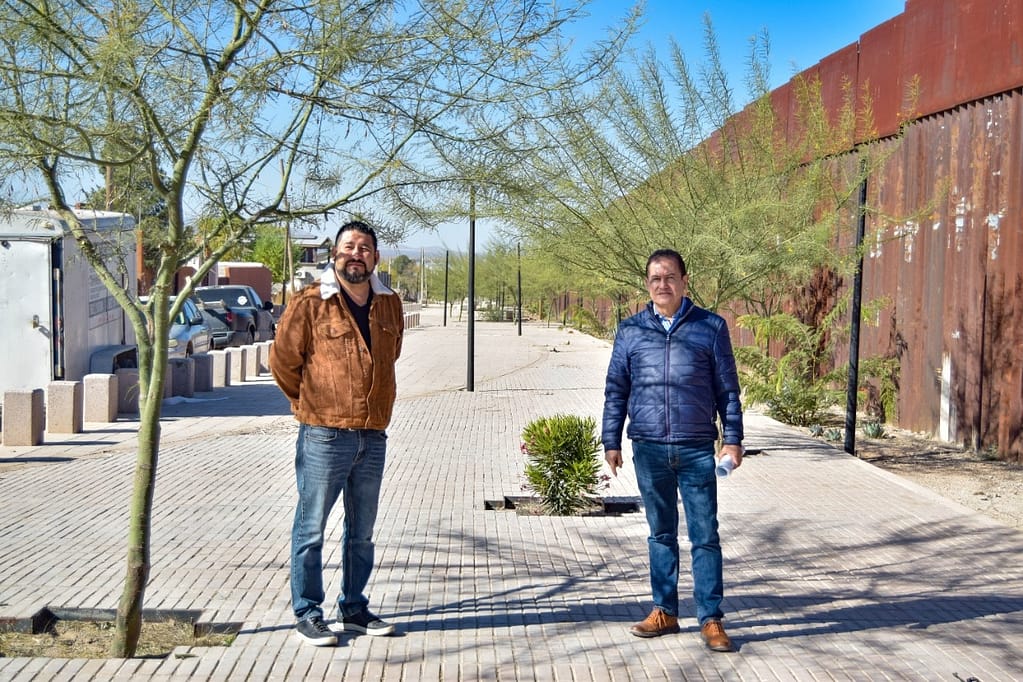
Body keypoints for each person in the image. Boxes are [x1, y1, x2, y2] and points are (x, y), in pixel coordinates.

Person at [270, 220, 405, 647]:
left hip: (373, 434)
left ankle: (354, 608)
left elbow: (391, 355)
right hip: (324, 435)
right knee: (311, 528)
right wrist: (310, 405)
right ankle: (308, 613)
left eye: (364, 248)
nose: (355, 254)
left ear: (375, 257)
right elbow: (283, 362)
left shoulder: (390, 304)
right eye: (348, 247)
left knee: (361, 532)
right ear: (335, 254)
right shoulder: (310, 301)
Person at [601, 249, 744, 653]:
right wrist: (611, 440)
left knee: (705, 535)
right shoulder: (630, 331)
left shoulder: (710, 327)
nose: (662, 285)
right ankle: (664, 611)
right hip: (648, 447)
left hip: (696, 447)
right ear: (647, 284)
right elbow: (616, 389)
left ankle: (711, 618)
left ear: (684, 281)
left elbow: (727, 390)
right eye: (655, 278)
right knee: (660, 534)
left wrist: (732, 439)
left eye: (669, 277)